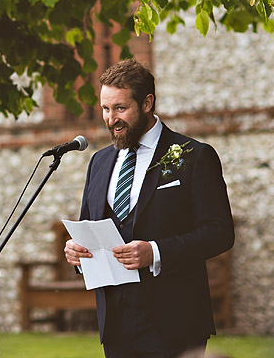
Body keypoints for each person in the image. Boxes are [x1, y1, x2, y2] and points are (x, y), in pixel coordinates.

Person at [64, 59, 234, 358]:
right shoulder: (99, 162)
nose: (111, 119)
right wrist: (77, 253)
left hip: (175, 320)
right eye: (105, 109)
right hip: (115, 321)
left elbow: (219, 233)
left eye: (120, 108)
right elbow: (89, 227)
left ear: (147, 103)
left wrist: (154, 252)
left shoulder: (195, 156)